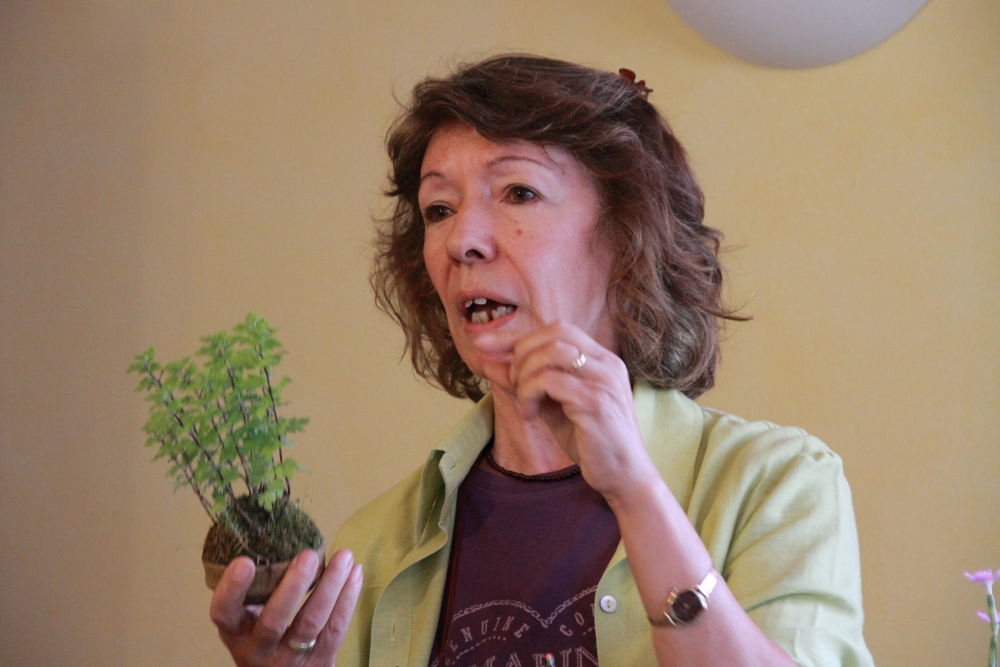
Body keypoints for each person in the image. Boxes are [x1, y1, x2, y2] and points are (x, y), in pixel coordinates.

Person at [209, 54, 874, 666]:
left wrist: (635, 492)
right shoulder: (376, 545)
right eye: (438, 208)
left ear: (626, 234)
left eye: (518, 193)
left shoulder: (776, 483)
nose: (462, 240)